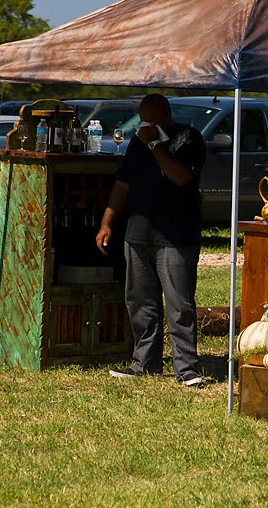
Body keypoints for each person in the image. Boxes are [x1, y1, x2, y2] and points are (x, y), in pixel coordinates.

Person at [96, 94, 206, 386]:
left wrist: (155, 144)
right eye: (143, 120)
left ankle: (187, 369)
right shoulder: (137, 144)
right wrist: (108, 221)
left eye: (152, 121)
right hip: (138, 232)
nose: (146, 126)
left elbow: (181, 177)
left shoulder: (189, 138)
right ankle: (144, 363)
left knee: (179, 304)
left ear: (166, 117)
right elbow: (123, 184)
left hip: (176, 235)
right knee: (140, 301)